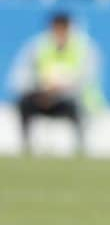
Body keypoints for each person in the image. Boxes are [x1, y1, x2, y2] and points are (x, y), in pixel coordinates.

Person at [8, 11, 103, 155]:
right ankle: (26, 146)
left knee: (77, 107)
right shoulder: (38, 46)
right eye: (56, 28)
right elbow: (21, 75)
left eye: (63, 28)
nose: (60, 32)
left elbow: (89, 77)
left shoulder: (85, 48)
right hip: (41, 95)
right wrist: (40, 90)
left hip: (71, 98)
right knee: (24, 103)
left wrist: (61, 89)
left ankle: (80, 148)